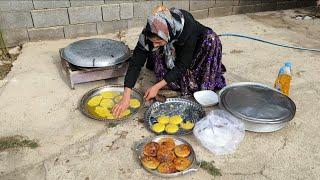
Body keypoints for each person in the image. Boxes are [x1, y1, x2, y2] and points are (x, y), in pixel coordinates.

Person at [112, 5, 226, 117]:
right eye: (152, 42)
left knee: (211, 39)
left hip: (196, 47)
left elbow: (182, 65)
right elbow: (135, 63)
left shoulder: (187, 27)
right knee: (155, 51)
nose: (154, 45)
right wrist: (126, 96)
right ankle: (171, 73)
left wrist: (156, 86)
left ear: (168, 35)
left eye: (158, 42)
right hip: (172, 45)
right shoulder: (150, 31)